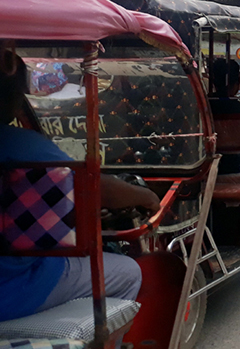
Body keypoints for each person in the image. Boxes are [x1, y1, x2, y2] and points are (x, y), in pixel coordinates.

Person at [0, 52, 159, 327]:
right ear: (15, 99)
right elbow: (96, 189)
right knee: (128, 272)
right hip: (14, 288)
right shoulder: (21, 145)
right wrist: (147, 197)